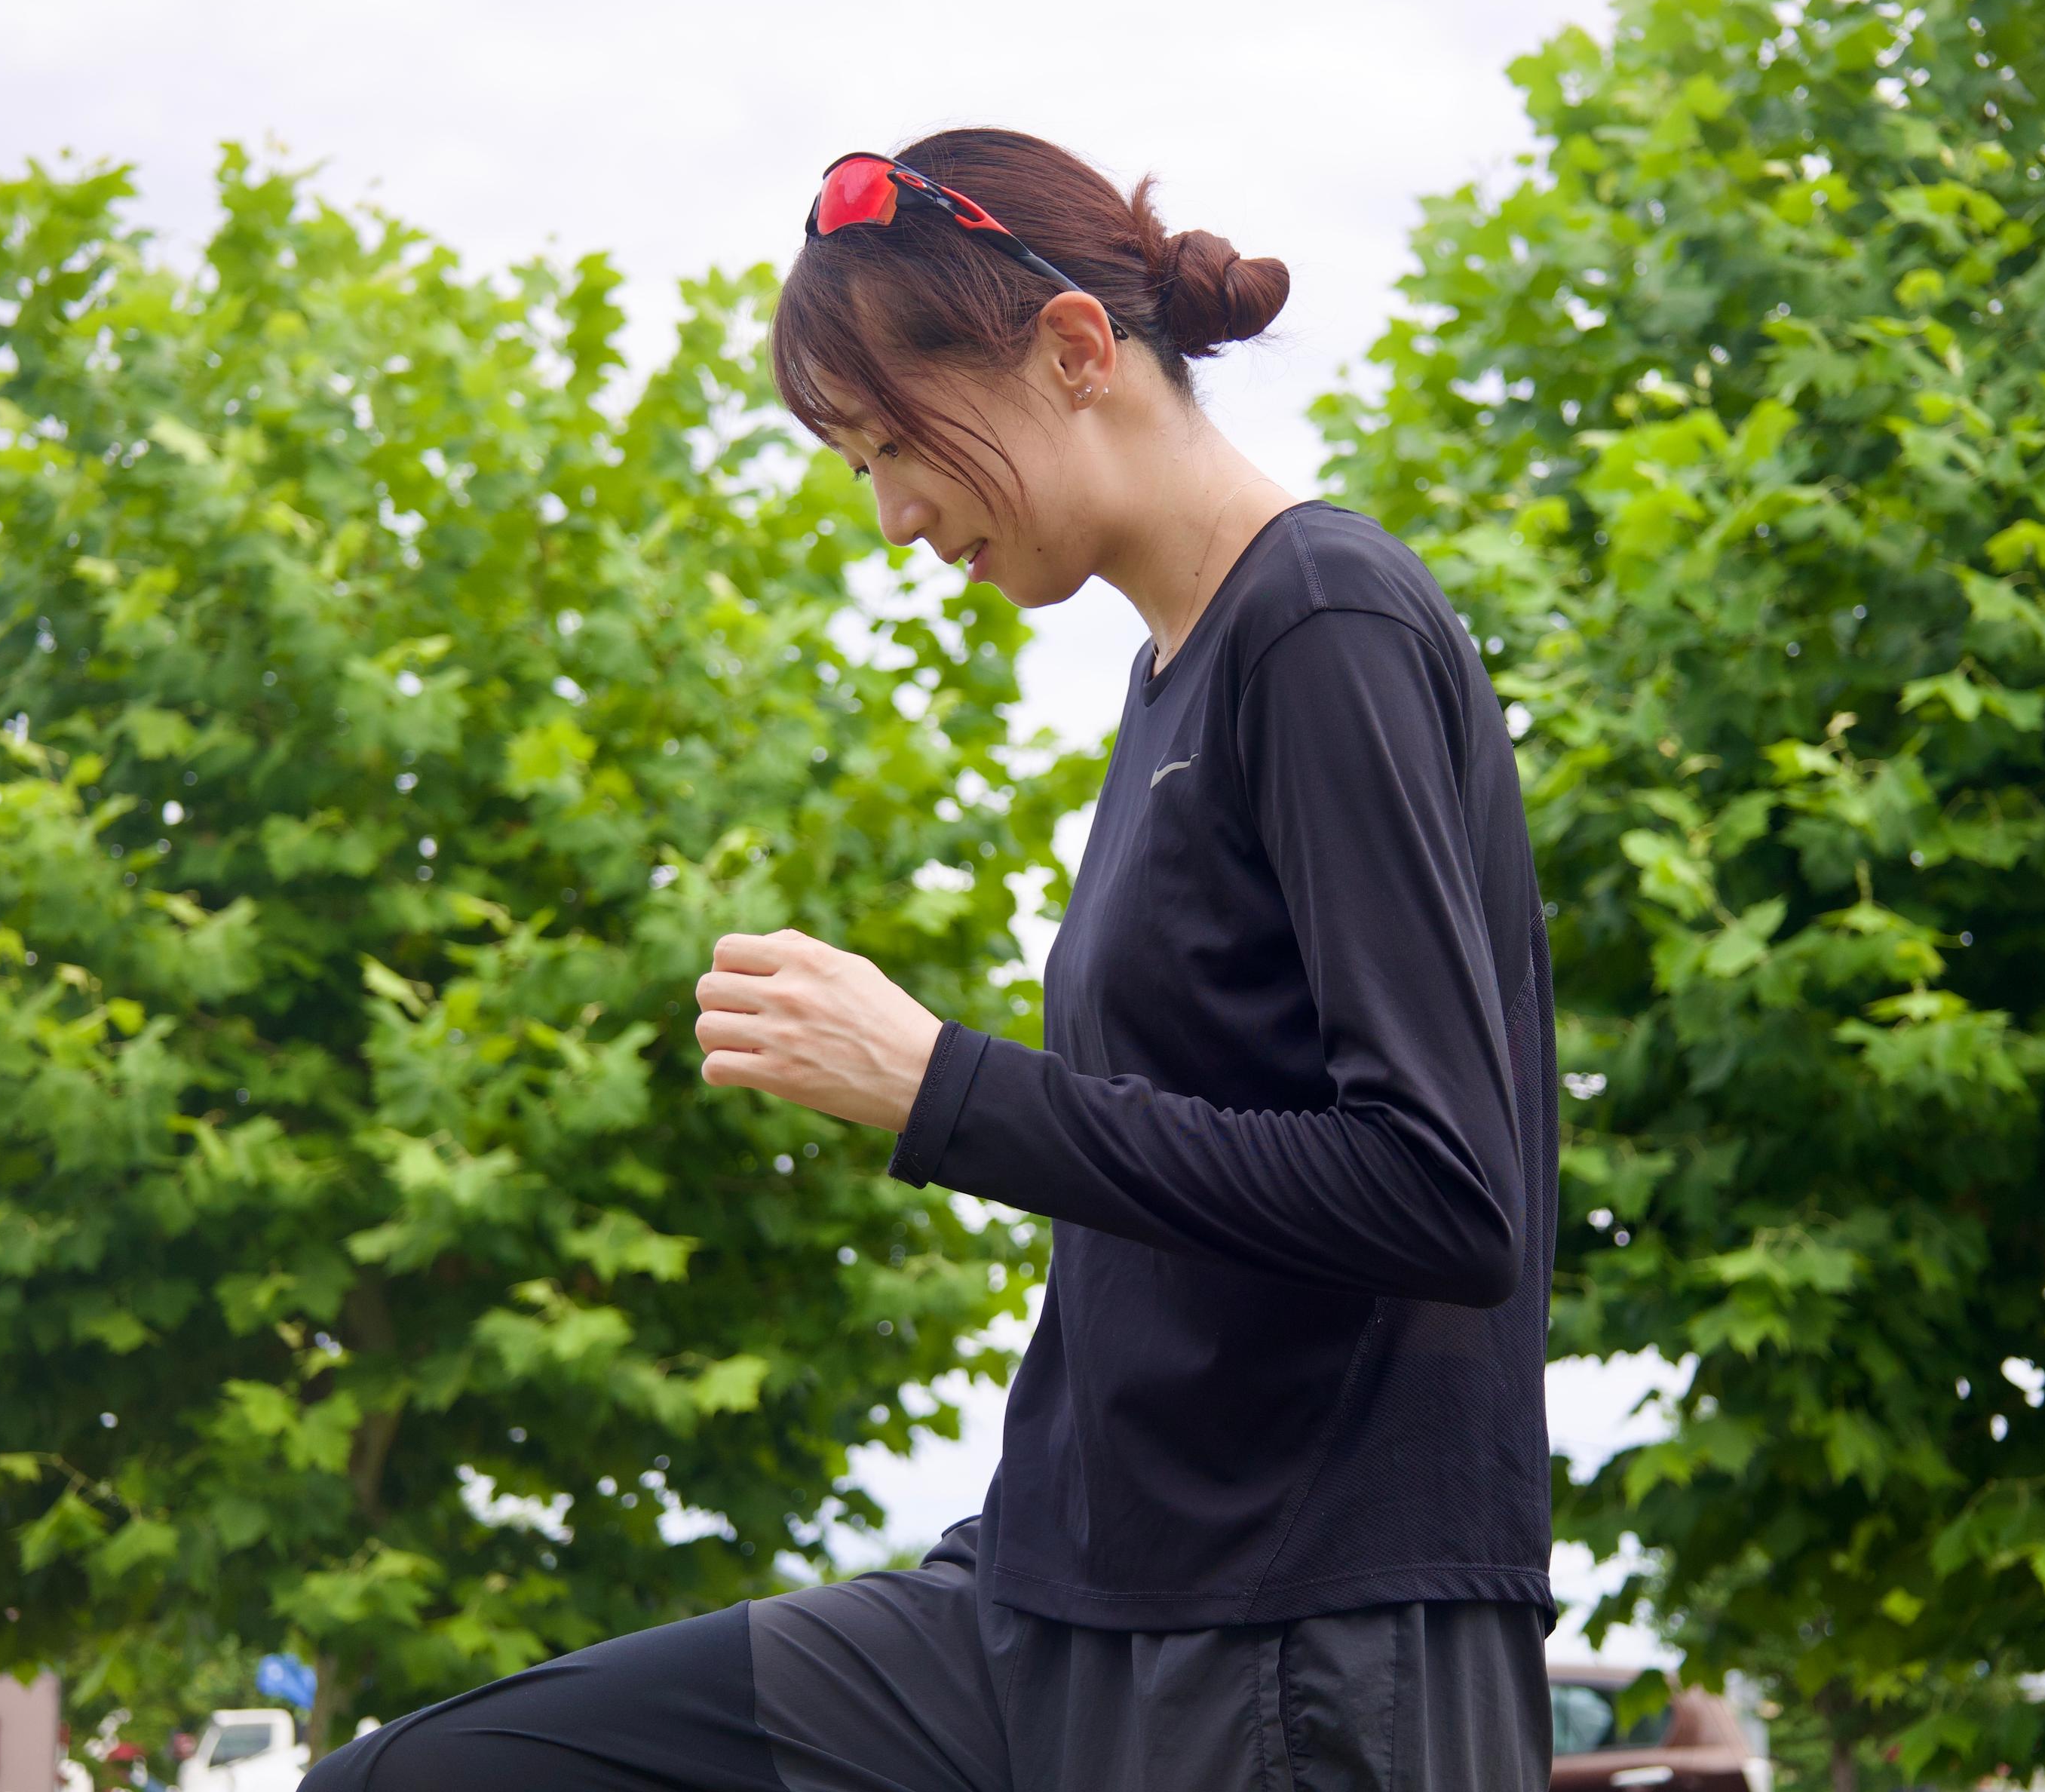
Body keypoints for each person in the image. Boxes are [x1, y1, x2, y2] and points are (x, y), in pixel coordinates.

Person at [302, 129, 1560, 1792]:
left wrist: (939, 1087)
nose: (896, 516)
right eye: (856, 465)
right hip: (1062, 1586)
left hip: (1292, 1630)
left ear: (1074, 350)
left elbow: (1442, 1192)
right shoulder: (1171, 678)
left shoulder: (1321, 620)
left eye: (900, 441)